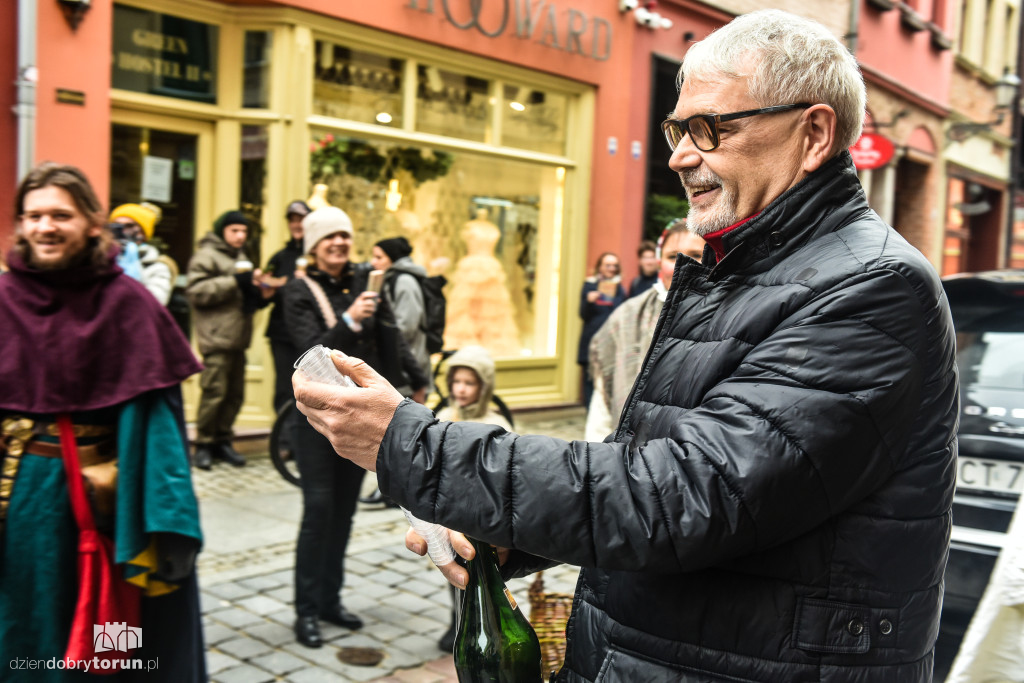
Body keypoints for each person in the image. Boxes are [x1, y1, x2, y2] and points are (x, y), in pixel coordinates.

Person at [293, 9, 959, 682]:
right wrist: (510, 538)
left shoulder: (873, 286)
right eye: (676, 129)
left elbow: (686, 497)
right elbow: (645, 470)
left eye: (709, 127)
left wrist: (417, 447)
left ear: (813, 132)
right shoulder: (744, 268)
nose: (679, 155)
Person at [0, 162, 206, 681]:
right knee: (21, 626)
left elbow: (161, 432)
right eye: (34, 215)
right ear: (21, 224)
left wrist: (169, 521)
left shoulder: (128, 304)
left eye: (60, 215)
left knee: (113, 642)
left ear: (92, 223)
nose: (45, 227)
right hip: (14, 506)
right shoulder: (3, 298)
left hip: (107, 512)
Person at [281, 206, 429, 649]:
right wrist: (348, 321)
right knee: (319, 510)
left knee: (345, 510)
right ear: (313, 245)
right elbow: (309, 351)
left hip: (360, 418)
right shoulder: (298, 290)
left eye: (344, 236)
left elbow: (393, 336)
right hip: (313, 421)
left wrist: (415, 375)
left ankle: (330, 600)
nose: (340, 244)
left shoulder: (367, 281)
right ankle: (306, 610)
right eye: (329, 238)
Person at [584, 223, 704, 441]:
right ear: (661, 263)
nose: (683, 264)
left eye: (696, 254)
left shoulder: (730, 315)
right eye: (672, 257)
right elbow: (603, 403)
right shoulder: (627, 315)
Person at [432, 345, 511, 651]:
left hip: (484, 514)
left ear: (484, 386)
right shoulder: (442, 418)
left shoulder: (496, 423)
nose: (461, 390)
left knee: (486, 572)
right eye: (457, 382)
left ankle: (489, 624)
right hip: (450, 512)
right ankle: (458, 621)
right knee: (453, 569)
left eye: (470, 383)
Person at [185, 210, 276, 470]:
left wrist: (261, 295)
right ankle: (203, 444)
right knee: (215, 392)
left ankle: (223, 441)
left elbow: (241, 297)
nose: (240, 236)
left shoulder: (241, 257)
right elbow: (197, 292)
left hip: (238, 338)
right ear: (222, 231)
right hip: (216, 338)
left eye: (244, 231)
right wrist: (235, 280)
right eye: (234, 230)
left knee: (235, 394)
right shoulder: (206, 255)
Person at [443, 208, 520, 356]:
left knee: (491, 311)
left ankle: (489, 344)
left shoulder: (492, 228)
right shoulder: (470, 227)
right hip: (472, 268)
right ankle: (467, 343)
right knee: (466, 307)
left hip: (490, 269)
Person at [264, 200, 311, 429]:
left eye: (301, 218)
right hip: (281, 333)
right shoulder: (279, 257)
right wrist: (264, 288)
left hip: (310, 333)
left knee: (310, 388)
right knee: (284, 388)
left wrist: (282, 283)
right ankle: (284, 441)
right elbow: (265, 295)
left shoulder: (316, 254)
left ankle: (307, 439)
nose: (296, 224)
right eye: (292, 219)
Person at [577, 252, 625, 408]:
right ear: (599, 267)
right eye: (608, 265)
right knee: (589, 379)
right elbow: (582, 314)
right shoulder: (589, 285)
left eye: (614, 266)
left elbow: (623, 313)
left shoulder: (620, 288)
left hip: (612, 341)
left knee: (609, 379)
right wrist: (588, 301)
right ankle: (589, 412)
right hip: (591, 339)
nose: (611, 269)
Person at [109, 202, 177, 306]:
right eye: (116, 226)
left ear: (142, 235)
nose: (121, 232)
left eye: (128, 227)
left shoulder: (157, 267)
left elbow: (154, 305)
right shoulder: (101, 259)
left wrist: (132, 282)